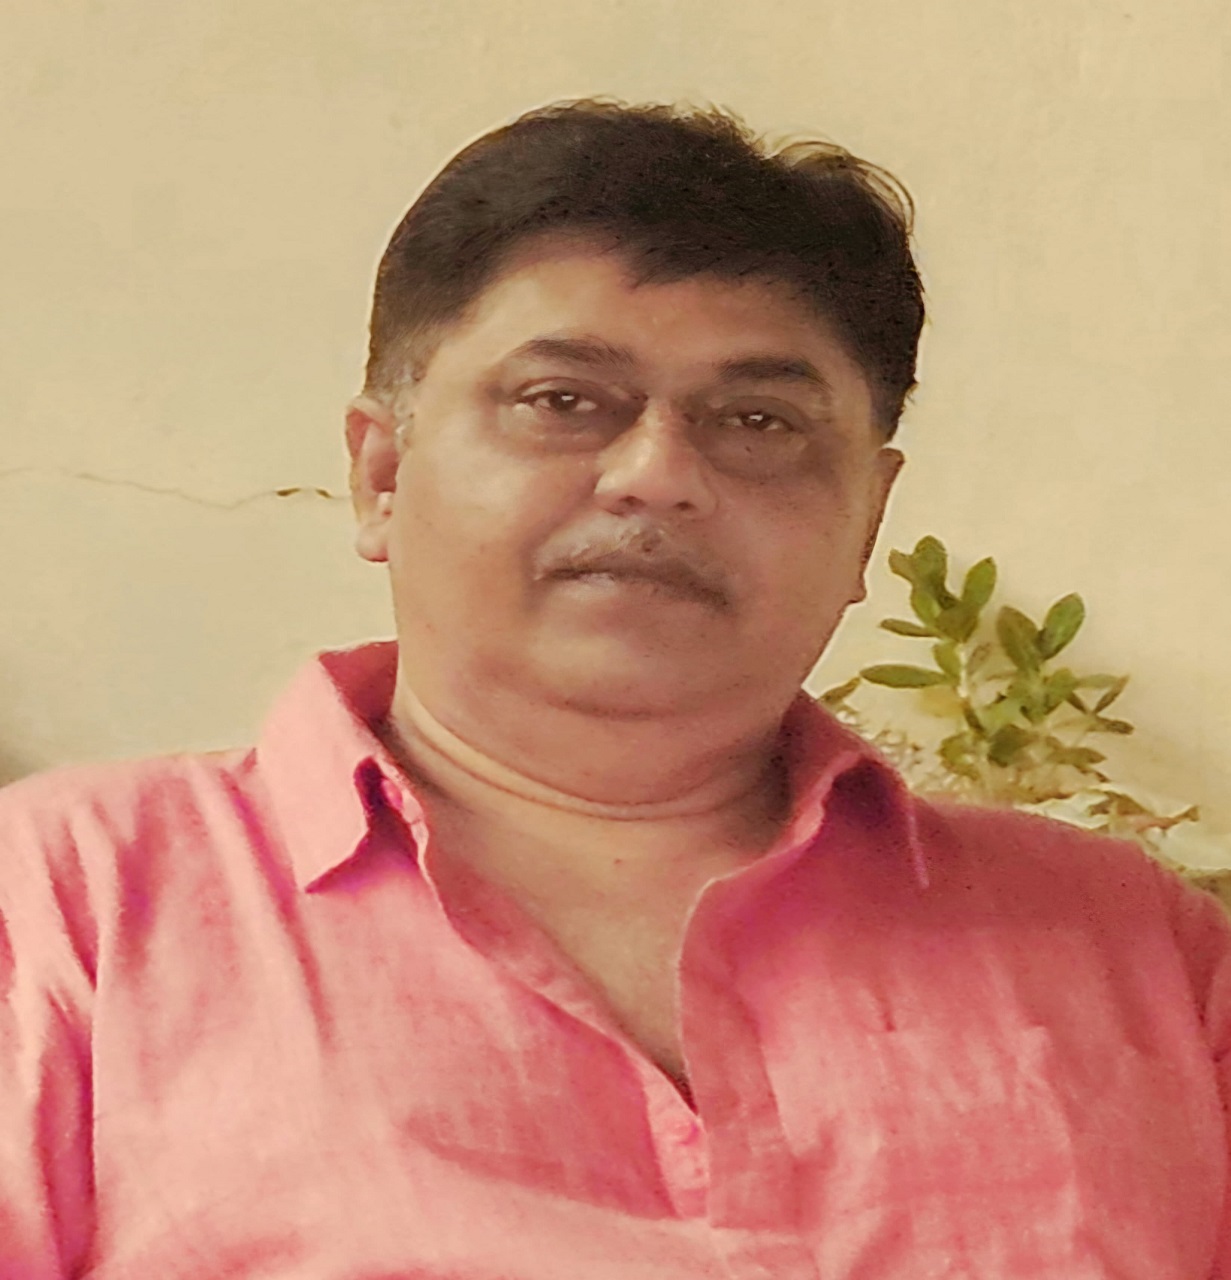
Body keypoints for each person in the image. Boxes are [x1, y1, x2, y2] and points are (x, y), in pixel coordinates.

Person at [1, 98, 1227, 1279]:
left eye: (758, 420)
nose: (657, 474)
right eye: (562, 401)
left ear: (868, 520)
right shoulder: (73, 906)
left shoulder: (1140, 954)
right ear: (380, 474)